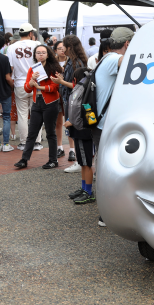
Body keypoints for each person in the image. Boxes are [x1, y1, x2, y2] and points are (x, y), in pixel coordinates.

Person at [14, 44, 63, 170]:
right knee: (32, 132)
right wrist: (31, 82)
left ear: (48, 54)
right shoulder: (32, 69)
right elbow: (26, 88)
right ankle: (24, 159)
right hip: (37, 102)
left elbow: (55, 87)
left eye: (43, 52)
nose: (40, 55)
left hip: (50, 102)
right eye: (38, 53)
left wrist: (40, 87)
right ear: (34, 55)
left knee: (50, 133)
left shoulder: (53, 67)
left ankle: (53, 160)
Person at [52, 35, 89, 171]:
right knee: (72, 129)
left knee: (76, 129)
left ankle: (80, 162)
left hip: (74, 101)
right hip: (70, 100)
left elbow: (78, 86)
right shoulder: (73, 61)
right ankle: (80, 161)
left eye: (65, 47)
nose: (63, 50)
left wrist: (61, 82)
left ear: (70, 47)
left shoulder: (76, 62)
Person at [8, 23, 44, 150]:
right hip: (36, 83)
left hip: (20, 83)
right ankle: (37, 142)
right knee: (37, 112)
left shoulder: (11, 47)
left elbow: (10, 68)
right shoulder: (36, 45)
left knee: (22, 114)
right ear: (30, 34)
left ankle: (23, 142)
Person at [65, 67, 96, 204]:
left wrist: (72, 122)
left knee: (86, 163)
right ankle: (84, 188)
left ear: (75, 79)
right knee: (83, 162)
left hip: (82, 131)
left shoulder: (81, 89)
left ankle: (89, 192)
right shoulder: (86, 89)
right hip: (80, 129)